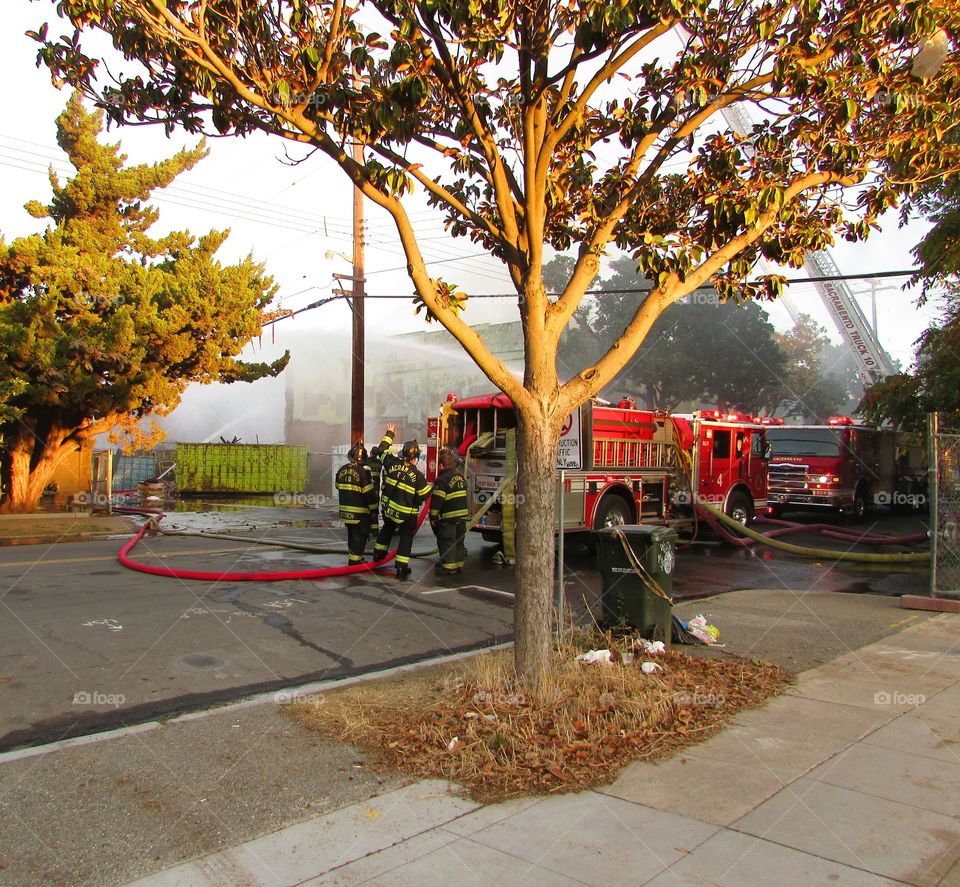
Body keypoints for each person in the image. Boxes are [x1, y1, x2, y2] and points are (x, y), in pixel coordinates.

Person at [373, 439, 431, 580]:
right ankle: (401, 567)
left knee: (387, 529)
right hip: (406, 515)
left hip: (390, 510)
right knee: (406, 537)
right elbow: (424, 495)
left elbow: (380, 451)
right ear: (415, 458)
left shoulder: (391, 463)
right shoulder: (417, 475)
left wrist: (389, 435)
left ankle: (378, 555)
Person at [334, 442, 377, 566]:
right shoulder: (363, 472)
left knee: (351, 534)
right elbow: (369, 494)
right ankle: (355, 561)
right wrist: (374, 510)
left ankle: (353, 557)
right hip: (360, 513)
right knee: (360, 535)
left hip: (345, 512)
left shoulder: (342, 469)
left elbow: (337, 486)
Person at [430, 448, 468, 576]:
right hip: (462, 517)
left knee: (447, 540)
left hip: (449, 518)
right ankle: (458, 564)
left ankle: (449, 567)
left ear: (440, 465)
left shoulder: (441, 480)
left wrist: (433, 516)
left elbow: (437, 501)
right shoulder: (460, 478)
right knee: (459, 541)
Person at [363, 424, 396, 539]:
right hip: (377, 489)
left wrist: (389, 434)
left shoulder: (366, 462)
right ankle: (375, 531)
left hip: (367, 489)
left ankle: (368, 530)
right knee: (375, 510)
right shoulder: (381, 462)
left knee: (367, 510)